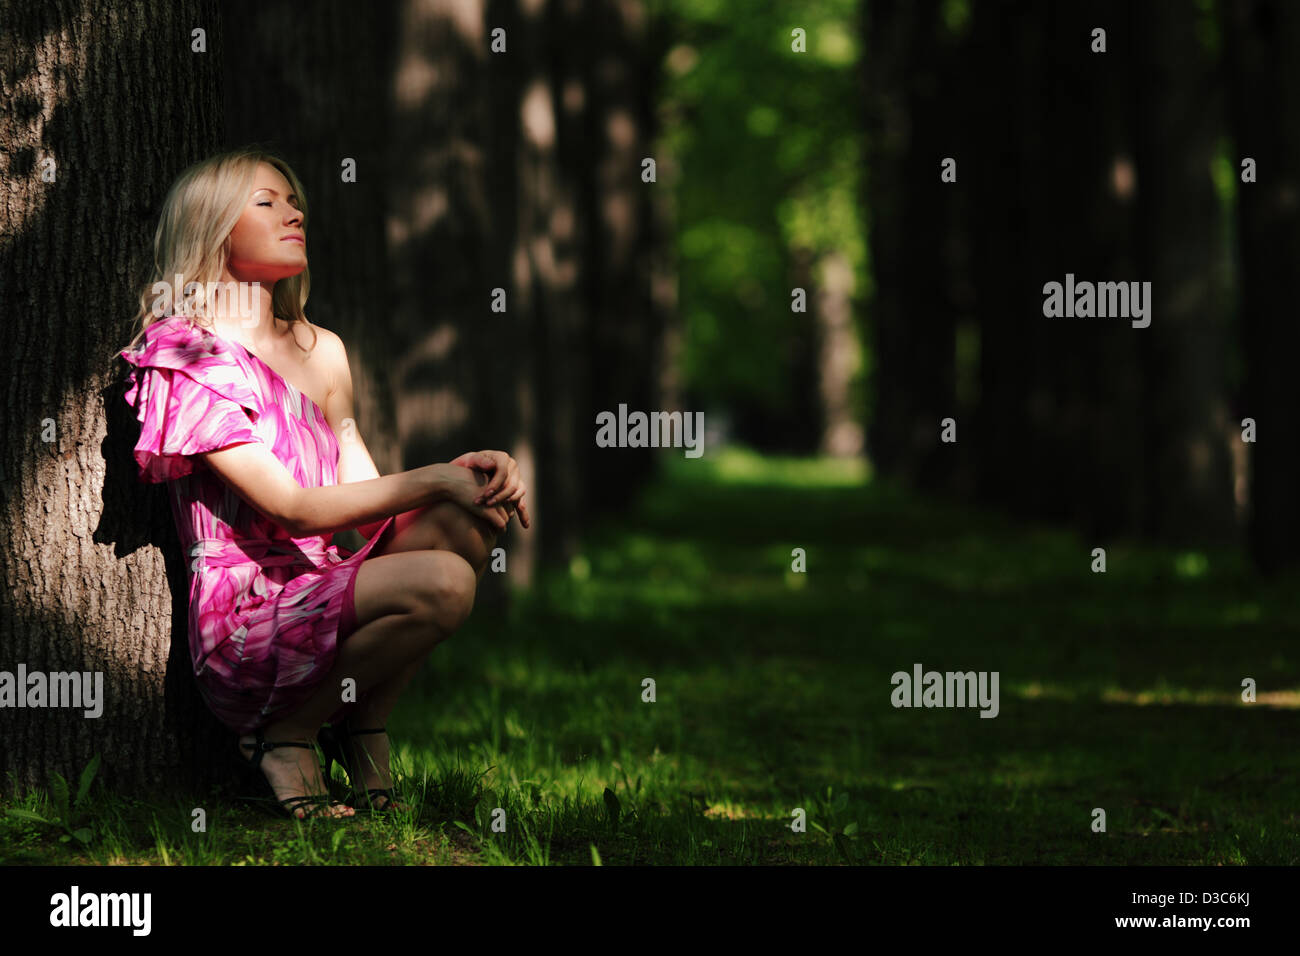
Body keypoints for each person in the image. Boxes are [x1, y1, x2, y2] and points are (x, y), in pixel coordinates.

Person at [118, 146, 530, 819]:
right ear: (212, 227)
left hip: (328, 586)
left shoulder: (322, 348)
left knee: (471, 515)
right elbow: (296, 509)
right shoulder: (185, 352)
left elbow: (365, 510)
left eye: (293, 199)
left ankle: (360, 724)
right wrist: (433, 480)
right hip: (247, 621)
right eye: (266, 201)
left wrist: (465, 478)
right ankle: (283, 733)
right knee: (447, 581)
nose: (294, 211)